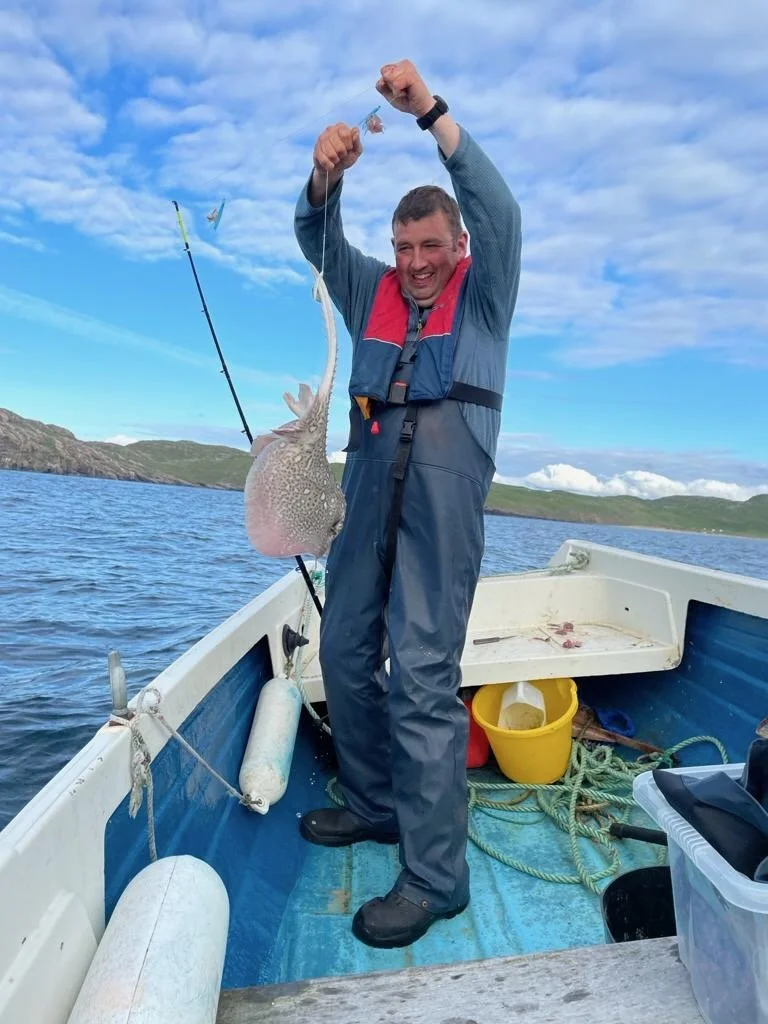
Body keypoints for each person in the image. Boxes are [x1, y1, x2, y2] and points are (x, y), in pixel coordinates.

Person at [294, 60, 522, 949]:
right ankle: (377, 805)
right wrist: (326, 177)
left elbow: (501, 209)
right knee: (343, 647)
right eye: (405, 249)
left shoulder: (488, 297)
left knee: (421, 677)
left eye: (433, 248)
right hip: (365, 487)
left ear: (457, 248)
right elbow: (317, 237)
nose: (418, 264)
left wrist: (426, 110)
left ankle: (436, 877)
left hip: (443, 499)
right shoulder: (370, 291)